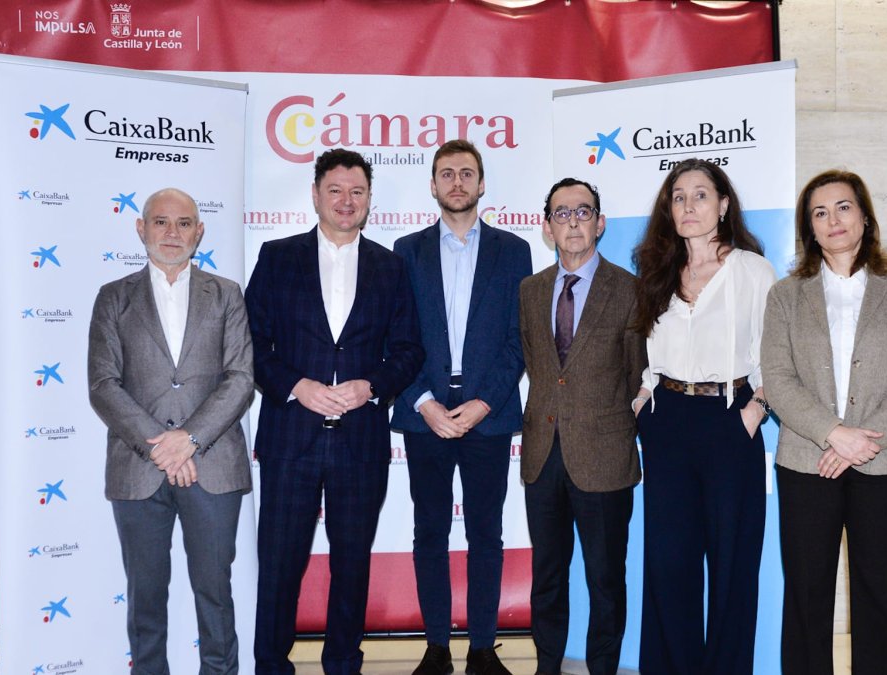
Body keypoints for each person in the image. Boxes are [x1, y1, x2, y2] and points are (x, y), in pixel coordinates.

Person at [245, 149, 425, 675]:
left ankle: (344, 663)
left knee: (352, 565)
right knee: (279, 565)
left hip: (360, 442)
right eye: (336, 191)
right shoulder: (277, 257)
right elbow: (252, 345)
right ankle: (270, 665)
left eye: (357, 192)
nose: (347, 202)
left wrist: (372, 386)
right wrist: (296, 386)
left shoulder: (391, 267)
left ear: (370, 199)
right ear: (316, 194)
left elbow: (409, 350)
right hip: (290, 438)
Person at [761, 169, 887, 675]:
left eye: (842, 207)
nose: (832, 219)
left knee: (880, 593)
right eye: (819, 212)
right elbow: (778, 376)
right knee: (808, 595)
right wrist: (834, 434)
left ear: (864, 216)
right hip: (805, 461)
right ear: (809, 229)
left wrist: (862, 442)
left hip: (884, 463)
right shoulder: (785, 296)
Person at [87, 187, 255, 675]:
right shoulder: (113, 298)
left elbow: (241, 377)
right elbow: (102, 383)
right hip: (139, 470)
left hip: (213, 465)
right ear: (141, 229)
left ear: (199, 233)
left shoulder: (226, 294)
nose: (172, 233)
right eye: (160, 222)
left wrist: (190, 439)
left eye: (183, 223)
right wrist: (162, 447)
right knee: (144, 597)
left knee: (215, 595)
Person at [392, 140, 532, 675]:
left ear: (481, 185)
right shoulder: (404, 251)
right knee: (429, 529)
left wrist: (483, 402)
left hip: (487, 413)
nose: (456, 182)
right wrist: (424, 402)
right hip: (423, 410)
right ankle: (435, 646)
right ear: (432, 185)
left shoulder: (512, 251)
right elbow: (394, 337)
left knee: (485, 533)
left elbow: (519, 341)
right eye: (446, 174)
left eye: (466, 173)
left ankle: (480, 647)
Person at [631, 158, 776, 674]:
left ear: (723, 205)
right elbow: (650, 348)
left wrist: (755, 411)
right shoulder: (656, 271)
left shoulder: (753, 271)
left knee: (734, 564)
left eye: (700, 195)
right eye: (678, 196)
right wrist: (645, 396)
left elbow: (776, 355)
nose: (688, 205)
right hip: (668, 422)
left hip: (729, 420)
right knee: (670, 565)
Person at [519, 178, 647, 675]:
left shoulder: (631, 290)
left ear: (601, 221)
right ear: (546, 225)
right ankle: (546, 666)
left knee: (605, 580)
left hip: (605, 458)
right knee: (547, 577)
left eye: (583, 211)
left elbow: (639, 373)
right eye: (562, 213)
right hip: (542, 455)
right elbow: (537, 364)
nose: (573, 221)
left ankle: (603, 669)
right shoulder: (529, 291)